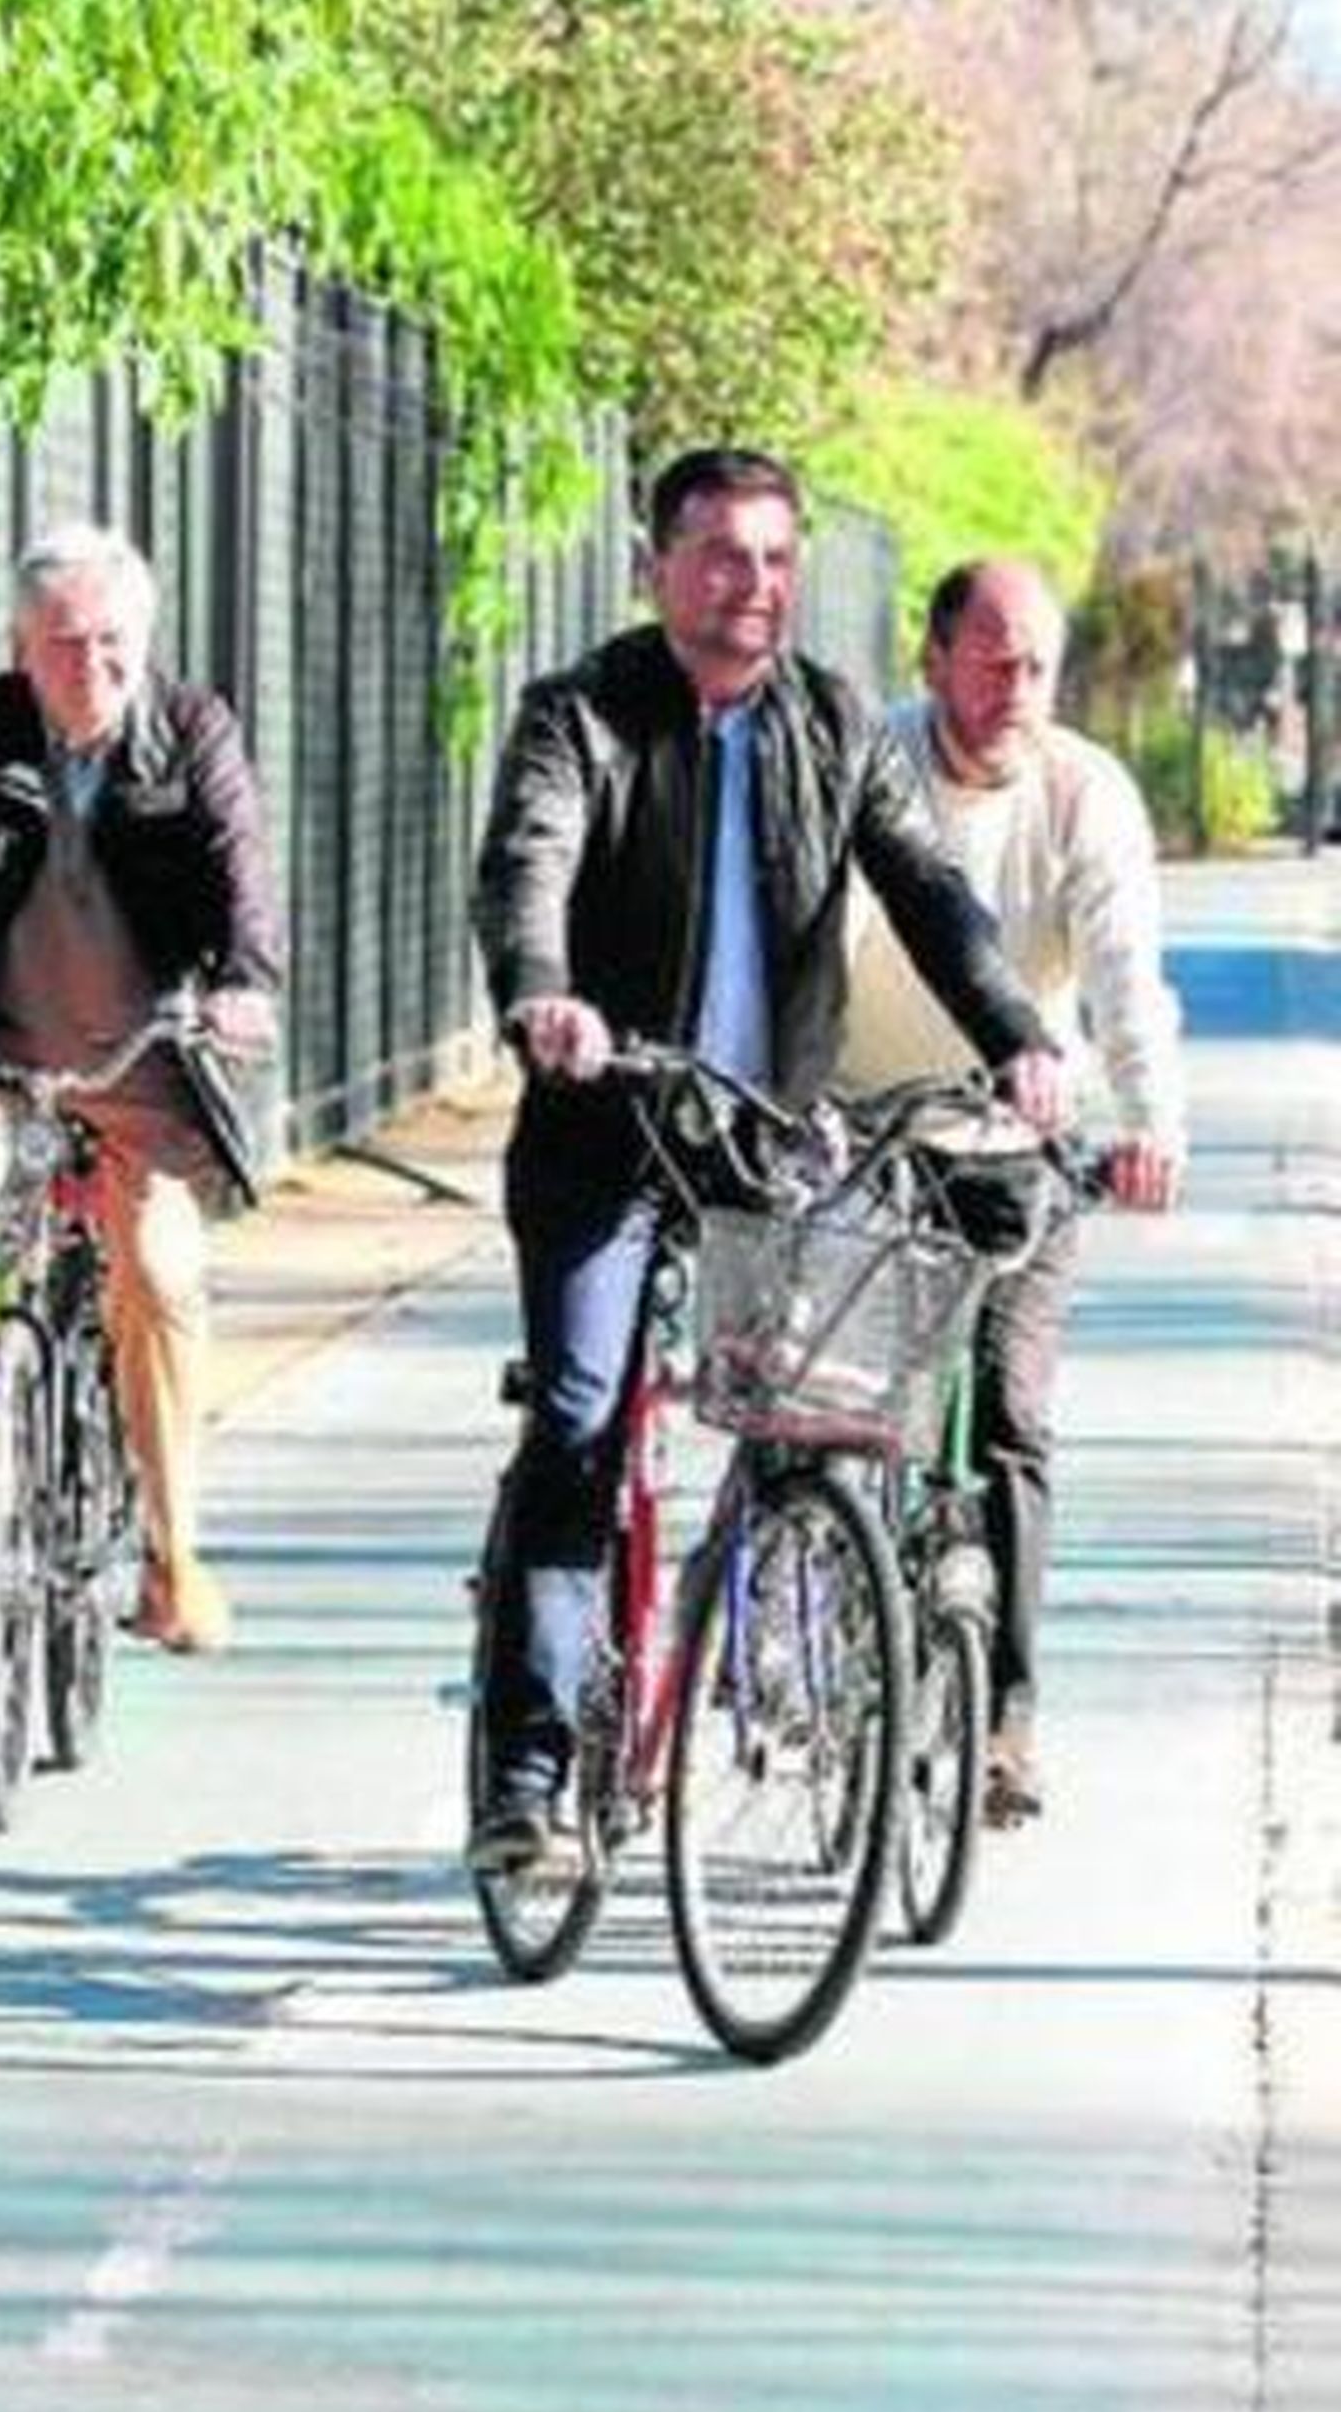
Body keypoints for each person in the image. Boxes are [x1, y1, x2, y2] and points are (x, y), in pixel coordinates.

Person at [468, 447, 1072, 1877]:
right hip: (607, 1133)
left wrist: (1017, 1038)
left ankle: (775, 1648)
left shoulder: (834, 722)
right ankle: (529, 1776)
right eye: (723, 555)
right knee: (580, 1418)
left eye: (777, 559)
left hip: (763, 1141)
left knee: (815, 1418)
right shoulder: (580, 715)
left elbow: (930, 893)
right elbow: (527, 867)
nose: (754, 585)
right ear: (659, 567)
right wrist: (544, 997)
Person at [0, 520, 281, 1655]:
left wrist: (245, 984)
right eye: (65, 644)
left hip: (142, 1060)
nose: (92, 665)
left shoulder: (192, 732)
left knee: (158, 1275)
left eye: (113, 641)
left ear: (145, 639)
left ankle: (173, 1556)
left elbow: (240, 867)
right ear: (21, 648)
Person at [837, 556, 1186, 1819]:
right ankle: (785, 1617)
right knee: (818, 1405)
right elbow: (813, 929)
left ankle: (1004, 1722)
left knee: (1007, 1419)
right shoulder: (870, 763)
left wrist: (1146, 1122)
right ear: (932, 659)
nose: (1014, 688)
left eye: (1036, 665)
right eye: (990, 662)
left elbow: (1123, 972)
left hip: (1014, 1143)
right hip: (862, 1131)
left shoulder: (1084, 792)